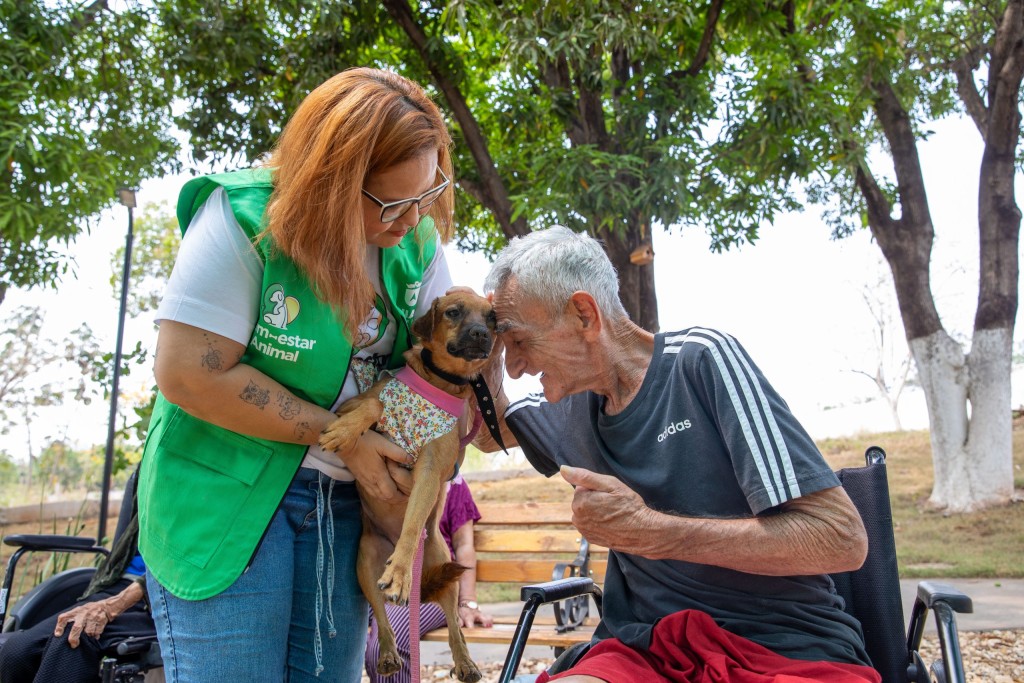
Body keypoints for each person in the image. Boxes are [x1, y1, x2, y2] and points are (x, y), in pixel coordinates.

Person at [136, 67, 457, 682]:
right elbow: (189, 374)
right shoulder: (243, 217)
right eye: (391, 203)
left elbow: (436, 376)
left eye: (426, 195)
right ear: (329, 182)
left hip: (346, 507)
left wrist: (419, 455)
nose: (410, 221)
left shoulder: (415, 239)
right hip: (226, 499)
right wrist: (348, 439)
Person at [473, 225, 881, 683]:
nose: (515, 367)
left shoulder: (702, 361)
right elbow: (486, 431)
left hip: (784, 647)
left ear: (584, 315)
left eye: (520, 342)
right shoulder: (565, 405)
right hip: (645, 651)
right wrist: (478, 338)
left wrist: (651, 531)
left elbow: (841, 538)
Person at [364, 473, 493, 683]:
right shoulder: (381, 473)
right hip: (376, 577)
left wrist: (467, 602)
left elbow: (464, 545)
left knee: (383, 648)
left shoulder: (452, 482)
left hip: (427, 586)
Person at [0, 510, 154, 682]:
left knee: (75, 637)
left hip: (161, 595)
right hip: (119, 583)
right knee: (17, 652)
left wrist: (112, 606)